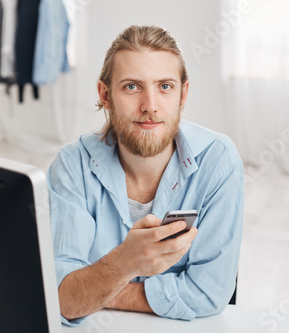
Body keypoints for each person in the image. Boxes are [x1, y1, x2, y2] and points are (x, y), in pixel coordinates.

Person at [47, 25, 243, 326]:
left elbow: (209, 293)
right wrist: (125, 262)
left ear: (182, 94)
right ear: (105, 95)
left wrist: (98, 288)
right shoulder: (72, 166)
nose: (150, 106)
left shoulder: (218, 160)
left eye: (164, 86)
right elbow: (62, 298)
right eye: (131, 87)